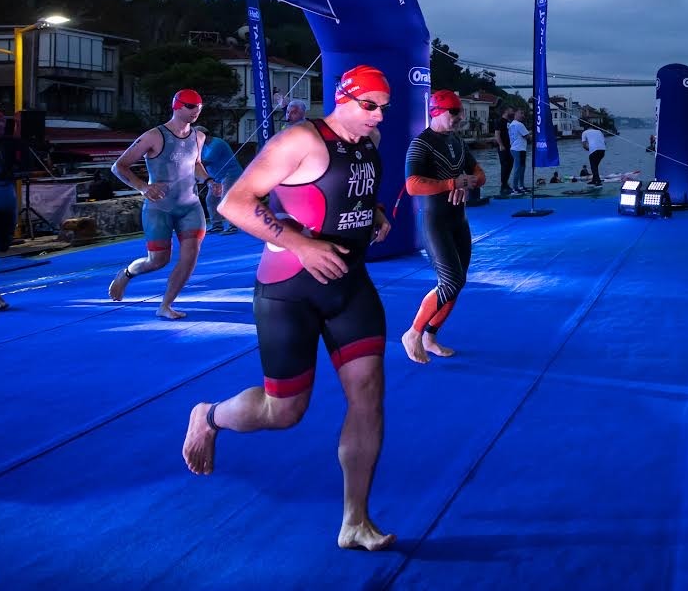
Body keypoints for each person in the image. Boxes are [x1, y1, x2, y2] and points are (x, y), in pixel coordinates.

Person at [184, 65, 395, 551]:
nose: (378, 115)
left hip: (349, 283)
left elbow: (350, 191)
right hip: (290, 289)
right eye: (369, 105)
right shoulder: (299, 140)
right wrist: (300, 245)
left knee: (368, 396)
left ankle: (355, 520)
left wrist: (376, 211)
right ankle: (209, 416)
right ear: (342, 99)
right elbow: (234, 204)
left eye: (384, 106)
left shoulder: (370, 141)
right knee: (284, 412)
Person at [108, 90, 224, 319]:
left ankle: (166, 305)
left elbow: (196, 164)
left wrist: (209, 180)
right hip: (159, 208)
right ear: (176, 106)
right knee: (158, 261)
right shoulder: (154, 136)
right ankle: (127, 273)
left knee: (190, 256)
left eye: (199, 107)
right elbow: (119, 166)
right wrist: (143, 187)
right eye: (190, 107)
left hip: (190, 206)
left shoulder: (198, 137)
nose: (195, 112)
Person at [400, 90, 485, 363]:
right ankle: (413, 333)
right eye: (455, 112)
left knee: (457, 284)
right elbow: (412, 185)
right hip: (434, 220)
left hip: (458, 220)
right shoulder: (421, 144)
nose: (460, 117)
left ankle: (430, 336)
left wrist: (469, 181)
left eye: (459, 112)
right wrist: (451, 183)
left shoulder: (457, 141)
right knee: (451, 281)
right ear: (437, 111)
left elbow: (480, 174)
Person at [0, 107, 27, 311]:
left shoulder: (11, 144)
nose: (2, 125)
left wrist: (15, 169)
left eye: (3, 121)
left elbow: (26, 164)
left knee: (3, 244)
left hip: (5, 198)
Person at [196, 126, 244, 233]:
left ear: (203, 135)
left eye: (196, 136)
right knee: (211, 199)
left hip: (230, 174)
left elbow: (204, 162)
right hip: (217, 177)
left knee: (226, 199)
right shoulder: (203, 147)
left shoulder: (217, 144)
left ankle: (233, 226)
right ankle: (217, 225)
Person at [493, 106, 514, 197]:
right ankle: (503, 185)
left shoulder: (509, 122)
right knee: (505, 164)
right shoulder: (499, 121)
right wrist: (501, 145)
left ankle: (506, 183)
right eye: (511, 109)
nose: (512, 111)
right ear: (506, 110)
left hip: (510, 147)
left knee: (510, 163)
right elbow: (497, 134)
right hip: (503, 147)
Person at [579, 121, 607, 186]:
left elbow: (584, 145)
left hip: (594, 150)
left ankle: (598, 181)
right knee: (595, 166)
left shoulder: (584, 132)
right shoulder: (599, 131)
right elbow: (605, 143)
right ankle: (594, 180)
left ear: (585, 128)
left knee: (593, 166)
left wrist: (589, 149)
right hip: (602, 150)